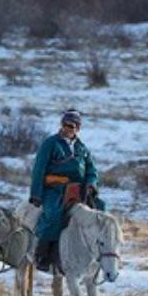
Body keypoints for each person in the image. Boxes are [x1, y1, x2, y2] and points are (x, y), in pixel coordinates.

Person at [28, 108, 103, 272]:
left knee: (100, 208)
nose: (68, 128)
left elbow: (92, 170)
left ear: (78, 128)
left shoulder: (82, 148)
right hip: (55, 189)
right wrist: (36, 194)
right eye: (66, 124)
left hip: (79, 191)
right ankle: (43, 254)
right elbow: (39, 169)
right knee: (53, 213)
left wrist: (90, 183)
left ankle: (100, 251)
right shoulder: (51, 143)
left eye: (72, 125)